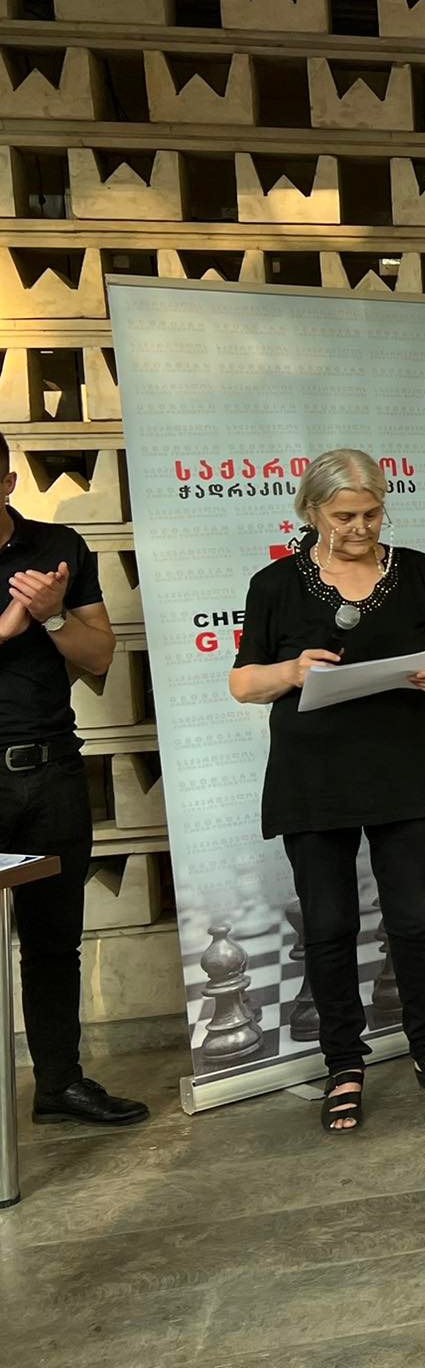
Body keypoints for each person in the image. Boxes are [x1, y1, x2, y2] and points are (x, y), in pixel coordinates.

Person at [227, 449, 425, 1132]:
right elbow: (243, 682)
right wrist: (291, 671)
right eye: (344, 517)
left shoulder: (420, 572)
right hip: (313, 775)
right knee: (329, 924)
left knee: (415, 918)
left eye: (371, 514)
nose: (360, 528)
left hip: (404, 766)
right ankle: (343, 1064)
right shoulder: (275, 584)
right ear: (312, 510)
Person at [0, 432, 149, 1128]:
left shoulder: (56, 548)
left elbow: (98, 658)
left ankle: (58, 1082)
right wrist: (8, 627)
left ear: (7, 482)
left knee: (53, 939)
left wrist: (52, 613)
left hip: (50, 769)